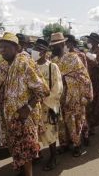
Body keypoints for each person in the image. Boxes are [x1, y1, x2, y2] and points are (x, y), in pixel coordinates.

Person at [0, 32, 49, 176]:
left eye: (6, 47)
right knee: (15, 146)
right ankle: (21, 170)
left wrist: (28, 107)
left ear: (17, 48)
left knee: (26, 149)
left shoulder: (25, 62)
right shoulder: (3, 66)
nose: (2, 50)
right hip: (8, 116)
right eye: (1, 47)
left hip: (25, 116)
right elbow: (1, 88)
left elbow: (43, 89)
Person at [50, 32, 93, 156]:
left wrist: (65, 79)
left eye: (56, 45)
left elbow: (83, 77)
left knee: (75, 121)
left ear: (63, 44)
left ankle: (77, 145)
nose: (53, 48)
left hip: (74, 96)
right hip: (59, 98)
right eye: (52, 46)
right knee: (62, 122)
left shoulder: (73, 58)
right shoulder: (53, 60)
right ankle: (64, 144)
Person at [32, 38, 63, 170]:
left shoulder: (52, 66)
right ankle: (37, 154)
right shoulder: (31, 66)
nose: (34, 52)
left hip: (49, 106)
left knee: (51, 133)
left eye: (38, 50)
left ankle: (53, 157)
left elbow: (58, 88)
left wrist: (44, 100)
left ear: (44, 52)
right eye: (35, 49)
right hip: (35, 107)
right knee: (36, 133)